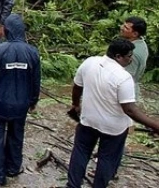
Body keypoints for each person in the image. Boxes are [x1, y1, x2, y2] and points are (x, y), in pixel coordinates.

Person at [66, 38, 159, 188]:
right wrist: (155, 125)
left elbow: (77, 87)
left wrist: (76, 105)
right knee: (107, 159)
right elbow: (129, 109)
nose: (131, 59)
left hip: (88, 120)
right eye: (129, 56)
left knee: (80, 152)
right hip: (113, 128)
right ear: (118, 56)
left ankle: (72, 184)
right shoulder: (123, 78)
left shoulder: (90, 62)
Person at [0, 14, 41, 186]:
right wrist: (33, 100)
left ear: (7, 30)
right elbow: (36, 80)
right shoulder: (32, 53)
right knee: (16, 134)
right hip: (21, 104)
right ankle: (12, 168)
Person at [120, 17, 149, 100]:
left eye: (126, 28)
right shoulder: (141, 43)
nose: (121, 27)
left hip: (125, 92)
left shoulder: (132, 53)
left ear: (135, 34)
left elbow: (126, 76)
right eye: (123, 25)